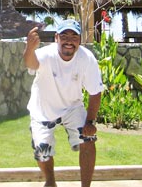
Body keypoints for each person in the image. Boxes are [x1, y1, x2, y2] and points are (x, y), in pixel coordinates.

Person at [23, 19, 104, 187]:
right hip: (43, 108)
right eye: (64, 36)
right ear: (56, 38)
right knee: (42, 152)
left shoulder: (86, 58)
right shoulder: (46, 54)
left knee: (88, 139)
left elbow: (95, 92)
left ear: (80, 40)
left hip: (72, 107)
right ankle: (50, 181)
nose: (69, 41)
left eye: (74, 37)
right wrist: (29, 48)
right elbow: (31, 63)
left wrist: (90, 121)